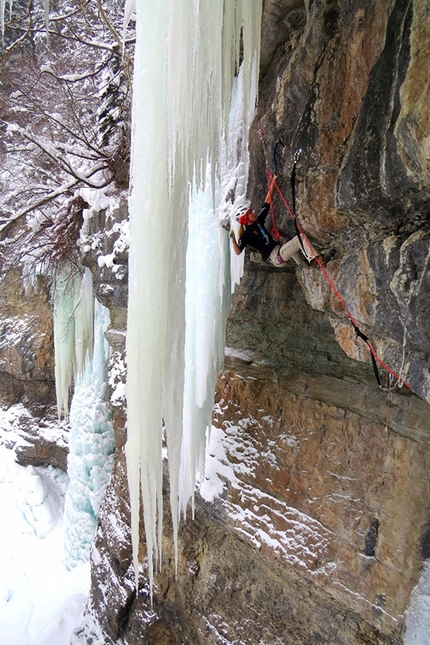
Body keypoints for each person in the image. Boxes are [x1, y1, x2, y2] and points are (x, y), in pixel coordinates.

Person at [228, 176, 334, 267]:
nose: (253, 212)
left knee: (292, 244)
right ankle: (316, 260)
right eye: (250, 212)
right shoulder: (246, 235)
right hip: (276, 256)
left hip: (279, 251)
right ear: (246, 219)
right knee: (299, 239)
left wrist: (273, 181)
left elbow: (267, 201)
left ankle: (305, 263)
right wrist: (233, 239)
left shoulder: (258, 221)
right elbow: (238, 251)